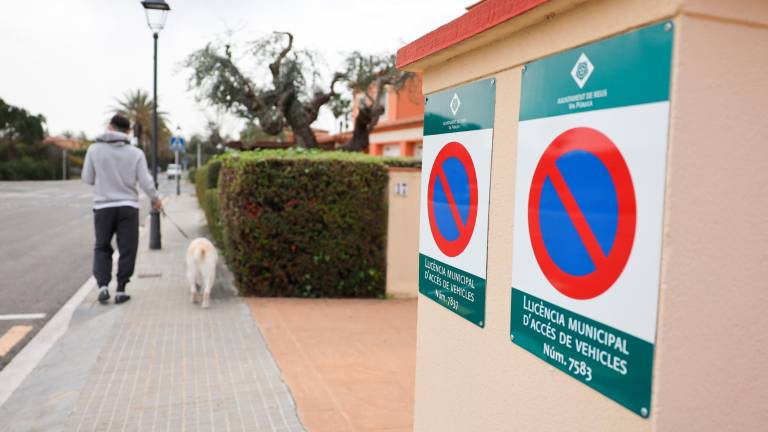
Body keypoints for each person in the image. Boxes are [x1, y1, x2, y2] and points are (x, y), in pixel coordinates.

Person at [82, 114, 162, 304]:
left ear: (110, 126)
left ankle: (102, 286)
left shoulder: (94, 149)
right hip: (128, 207)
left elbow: (88, 178)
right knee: (127, 249)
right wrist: (155, 199)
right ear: (128, 132)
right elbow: (146, 182)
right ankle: (120, 289)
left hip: (103, 207)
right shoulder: (136, 153)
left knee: (102, 246)